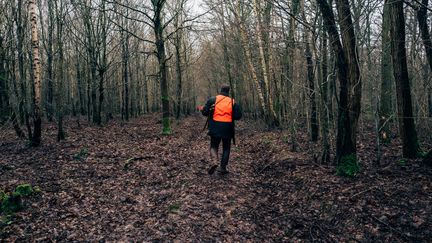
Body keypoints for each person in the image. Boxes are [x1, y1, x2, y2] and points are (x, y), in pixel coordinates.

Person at [202, 84, 242, 175]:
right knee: (226, 148)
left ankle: (215, 162)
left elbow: (204, 112)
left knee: (213, 146)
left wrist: (206, 111)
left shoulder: (213, 99)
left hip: (215, 127)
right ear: (228, 91)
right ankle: (223, 168)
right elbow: (238, 116)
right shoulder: (232, 102)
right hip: (228, 128)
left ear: (221, 90)